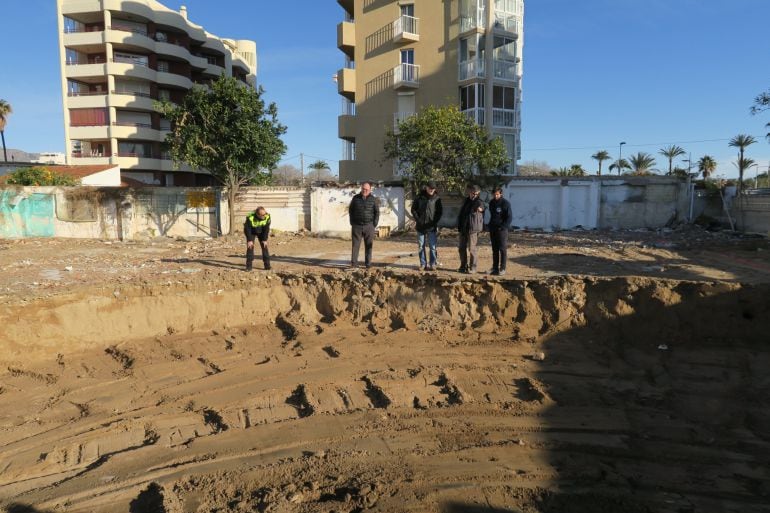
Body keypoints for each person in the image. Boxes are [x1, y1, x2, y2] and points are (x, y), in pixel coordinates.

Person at [411, 180, 443, 271]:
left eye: (433, 189)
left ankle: (432, 264)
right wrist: (418, 220)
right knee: (421, 246)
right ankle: (423, 264)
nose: (431, 190)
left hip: (431, 226)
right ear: (426, 187)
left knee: (432, 247)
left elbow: (439, 212)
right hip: (421, 226)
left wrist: (434, 222)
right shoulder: (419, 197)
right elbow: (413, 209)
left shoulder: (437, 198)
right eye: (430, 188)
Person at [348, 181, 379, 269]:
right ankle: (354, 264)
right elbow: (351, 210)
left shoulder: (373, 199)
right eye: (363, 189)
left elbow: (377, 212)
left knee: (369, 245)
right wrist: (352, 222)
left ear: (370, 189)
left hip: (369, 226)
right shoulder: (355, 198)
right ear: (361, 189)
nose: (364, 190)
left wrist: (374, 224)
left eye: (366, 189)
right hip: (356, 226)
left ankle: (368, 264)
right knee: (355, 245)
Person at [457, 184, 484, 273]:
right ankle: (463, 266)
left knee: (472, 249)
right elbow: (461, 214)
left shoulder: (478, 202)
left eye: (476, 194)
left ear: (478, 193)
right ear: (470, 192)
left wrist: (480, 209)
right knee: (461, 248)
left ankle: (473, 267)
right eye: (473, 193)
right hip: (463, 229)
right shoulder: (465, 201)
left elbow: (482, 208)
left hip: (472, 230)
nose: (474, 195)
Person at [487, 186, 511, 275]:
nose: (495, 196)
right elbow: (493, 216)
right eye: (494, 194)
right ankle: (495, 268)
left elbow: (509, 217)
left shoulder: (505, 203)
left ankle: (503, 268)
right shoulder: (491, 202)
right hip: (493, 228)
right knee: (495, 249)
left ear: (501, 194)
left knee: (502, 249)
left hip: (501, 230)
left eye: (497, 194)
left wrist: (503, 227)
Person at [244, 206, 271, 271]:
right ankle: (249, 267)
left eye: (265, 214)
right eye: (263, 215)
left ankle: (267, 266)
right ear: (257, 214)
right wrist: (249, 240)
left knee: (265, 247)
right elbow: (247, 229)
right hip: (252, 232)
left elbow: (266, 229)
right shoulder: (250, 218)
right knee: (250, 247)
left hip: (262, 232)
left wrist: (264, 239)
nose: (265, 215)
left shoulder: (267, 217)